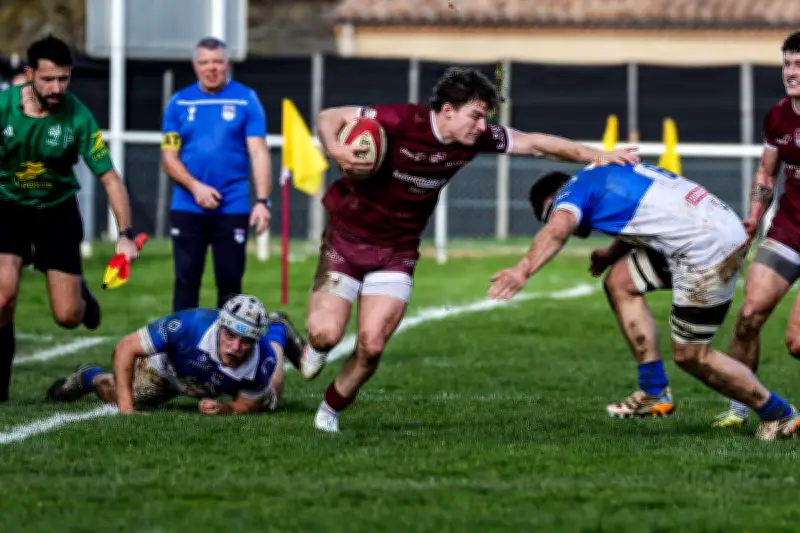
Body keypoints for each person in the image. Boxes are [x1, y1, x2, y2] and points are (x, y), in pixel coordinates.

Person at [300, 66, 640, 433]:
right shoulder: (399, 119)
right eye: (475, 116)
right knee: (326, 334)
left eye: (485, 118)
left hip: (397, 251)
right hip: (346, 241)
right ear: (447, 110)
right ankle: (314, 346)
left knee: (372, 345)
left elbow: (535, 143)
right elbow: (328, 116)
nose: (481, 126)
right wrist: (336, 149)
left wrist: (596, 154)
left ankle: (329, 412)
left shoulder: (475, 138)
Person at [488, 162, 800, 441]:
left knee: (691, 356)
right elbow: (646, 213)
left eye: (550, 212)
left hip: (703, 249)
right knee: (619, 281)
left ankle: (781, 414)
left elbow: (557, 229)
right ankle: (653, 390)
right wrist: (610, 255)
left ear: (551, 201)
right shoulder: (601, 175)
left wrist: (522, 269)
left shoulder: (570, 195)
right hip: (710, 228)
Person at [0, 35, 137, 402]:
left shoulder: (78, 117)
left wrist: (125, 234)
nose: (57, 87)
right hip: (8, 207)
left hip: (57, 211)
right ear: (30, 75)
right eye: (48, 79)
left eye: (64, 78)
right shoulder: (3, 108)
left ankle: (83, 298)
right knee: (2, 297)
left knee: (68, 316)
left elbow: (109, 178)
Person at [712, 30, 800, 428]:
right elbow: (767, 171)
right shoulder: (778, 115)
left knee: (797, 342)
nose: (791, 72)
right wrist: (753, 217)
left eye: (799, 65)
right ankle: (739, 409)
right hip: (788, 228)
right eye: (787, 64)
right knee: (748, 315)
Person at [46, 295, 306, 415]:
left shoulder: (262, 358)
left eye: (246, 340)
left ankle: (277, 331)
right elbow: (126, 347)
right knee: (126, 396)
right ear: (220, 326)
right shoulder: (188, 326)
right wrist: (126, 409)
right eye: (230, 336)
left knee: (272, 397)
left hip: (221, 381)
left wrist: (224, 408)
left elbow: (245, 406)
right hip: (169, 372)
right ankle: (89, 376)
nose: (236, 347)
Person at [161, 37, 271, 312]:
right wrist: (196, 188)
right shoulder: (178, 103)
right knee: (186, 281)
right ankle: (183, 349)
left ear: (227, 64)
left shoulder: (246, 99)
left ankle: (228, 351)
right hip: (187, 205)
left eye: (217, 62)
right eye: (205, 62)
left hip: (232, 206)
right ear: (195, 65)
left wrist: (262, 201)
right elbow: (168, 158)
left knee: (230, 283)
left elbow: (258, 152)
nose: (211, 68)